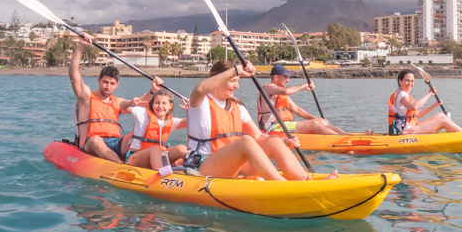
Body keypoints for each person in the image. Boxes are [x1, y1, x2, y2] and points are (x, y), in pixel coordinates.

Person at [185, 60, 338, 181]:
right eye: (233, 81)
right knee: (245, 141)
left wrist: (284, 142)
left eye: (238, 81)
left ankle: (304, 180)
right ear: (217, 80)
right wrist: (237, 69)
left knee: (274, 140)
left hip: (233, 165)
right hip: (205, 166)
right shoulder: (200, 101)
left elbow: (259, 137)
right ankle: (283, 186)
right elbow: (200, 89)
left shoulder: (236, 106)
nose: (237, 86)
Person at [69, 34, 160, 163]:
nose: (108, 87)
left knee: (136, 136)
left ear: (117, 85)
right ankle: (120, 165)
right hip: (90, 145)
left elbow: (141, 106)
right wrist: (81, 46)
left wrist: (153, 91)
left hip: (114, 143)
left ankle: (144, 163)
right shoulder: (86, 97)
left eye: (112, 84)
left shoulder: (117, 102)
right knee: (96, 140)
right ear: (99, 80)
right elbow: (73, 72)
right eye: (105, 82)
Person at [257, 64, 347, 135]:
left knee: (320, 121)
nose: (288, 80)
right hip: (272, 128)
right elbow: (287, 91)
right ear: (276, 77)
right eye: (285, 77)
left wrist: (316, 119)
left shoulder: (280, 93)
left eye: (288, 77)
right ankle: (339, 139)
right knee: (314, 125)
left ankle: (345, 135)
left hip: (284, 125)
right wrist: (303, 86)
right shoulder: (268, 88)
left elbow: (297, 109)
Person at [121, 88, 189, 176]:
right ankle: (162, 176)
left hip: (157, 158)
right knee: (155, 149)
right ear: (152, 104)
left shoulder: (171, 121)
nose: (160, 106)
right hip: (135, 159)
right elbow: (122, 105)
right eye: (157, 103)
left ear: (170, 106)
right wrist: (131, 103)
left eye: (164, 103)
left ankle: (191, 172)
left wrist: (191, 111)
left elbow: (190, 121)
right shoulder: (142, 114)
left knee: (182, 149)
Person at [388, 69, 462, 135]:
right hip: (406, 131)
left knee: (441, 115)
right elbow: (414, 107)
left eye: (412, 81)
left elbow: (416, 114)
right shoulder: (402, 94)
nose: (410, 84)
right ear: (400, 81)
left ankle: (457, 134)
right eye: (407, 80)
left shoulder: (404, 95)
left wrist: (434, 105)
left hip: (410, 128)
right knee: (442, 120)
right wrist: (429, 94)